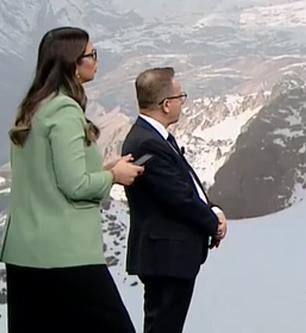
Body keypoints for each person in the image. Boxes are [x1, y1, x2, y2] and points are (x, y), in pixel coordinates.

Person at [0, 26, 143, 332]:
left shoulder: (30, 109)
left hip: (23, 251)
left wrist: (103, 167)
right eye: (92, 54)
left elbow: (46, 175)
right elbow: (75, 186)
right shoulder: (64, 111)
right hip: (65, 253)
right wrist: (112, 176)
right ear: (72, 63)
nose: (96, 61)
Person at [122, 67, 227, 333]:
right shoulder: (146, 142)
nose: (183, 102)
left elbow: (186, 183)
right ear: (166, 104)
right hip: (165, 255)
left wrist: (212, 208)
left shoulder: (156, 137)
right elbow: (177, 197)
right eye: (181, 97)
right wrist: (211, 222)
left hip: (171, 255)